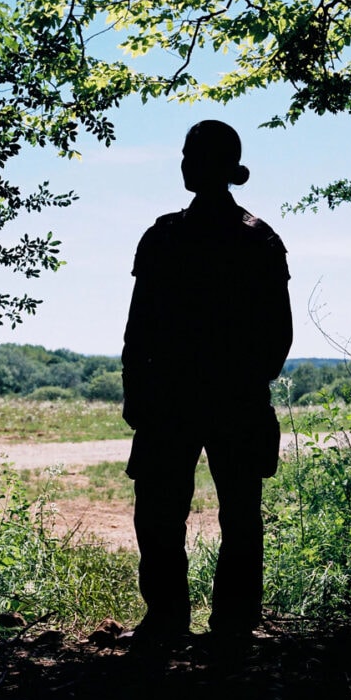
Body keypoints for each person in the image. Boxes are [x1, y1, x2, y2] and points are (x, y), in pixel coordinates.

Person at [122, 120, 293, 642]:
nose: (182, 163)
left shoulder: (169, 237)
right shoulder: (256, 238)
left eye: (190, 154)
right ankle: (224, 624)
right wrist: (243, 381)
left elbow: (139, 328)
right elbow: (277, 337)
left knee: (171, 514)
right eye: (183, 153)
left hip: (178, 399)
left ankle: (176, 620)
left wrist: (142, 390)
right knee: (226, 514)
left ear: (213, 166)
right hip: (220, 399)